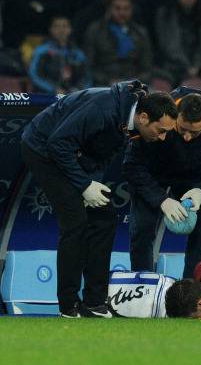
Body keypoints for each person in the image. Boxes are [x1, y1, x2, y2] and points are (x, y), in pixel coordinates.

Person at [21, 81, 178, 318]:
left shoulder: (128, 120)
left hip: (67, 153)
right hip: (41, 148)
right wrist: (83, 186)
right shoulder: (103, 110)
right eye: (162, 130)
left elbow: (102, 156)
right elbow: (57, 144)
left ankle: (94, 302)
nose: (163, 138)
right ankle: (68, 305)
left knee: (105, 218)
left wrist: (91, 184)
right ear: (144, 117)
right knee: (75, 223)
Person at [123, 88, 201, 278]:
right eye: (181, 128)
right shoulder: (160, 113)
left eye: (194, 132)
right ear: (176, 115)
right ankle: (143, 286)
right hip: (153, 174)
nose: (186, 137)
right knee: (142, 230)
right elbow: (132, 166)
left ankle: (193, 289)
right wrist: (161, 200)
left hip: (195, 178)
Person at [84, 0, 153, 86]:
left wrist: (134, 82)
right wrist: (107, 81)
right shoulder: (95, 30)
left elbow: (147, 68)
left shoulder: (140, 33)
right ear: (109, 9)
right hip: (103, 85)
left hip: (133, 85)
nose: (122, 12)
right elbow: (88, 66)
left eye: (126, 9)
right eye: (117, 8)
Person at [28, 15, 91, 94]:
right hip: (46, 97)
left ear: (70, 29)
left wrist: (79, 91)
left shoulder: (77, 53)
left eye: (65, 26)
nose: (61, 30)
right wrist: (53, 89)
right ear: (50, 29)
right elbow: (34, 75)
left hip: (72, 97)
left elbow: (87, 77)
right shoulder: (42, 51)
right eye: (57, 26)